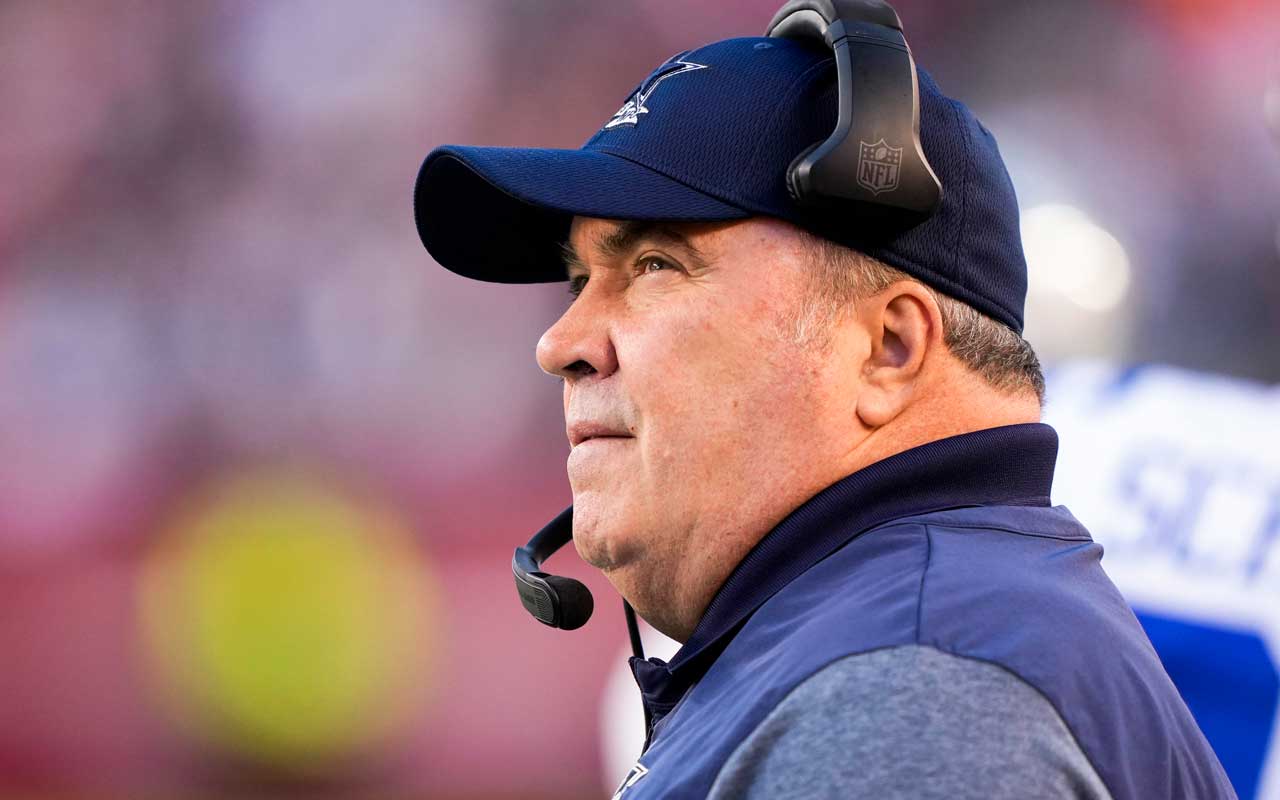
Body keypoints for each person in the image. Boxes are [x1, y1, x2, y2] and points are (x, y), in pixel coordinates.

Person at [411, 5, 1236, 799]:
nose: (560, 343)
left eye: (656, 266)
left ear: (889, 349)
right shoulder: (898, 641)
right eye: (581, 279)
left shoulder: (906, 694)